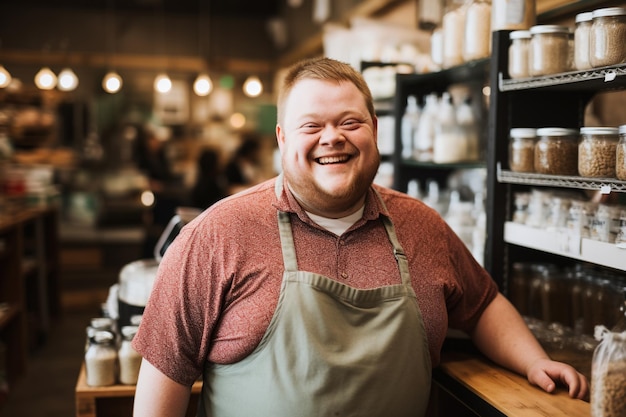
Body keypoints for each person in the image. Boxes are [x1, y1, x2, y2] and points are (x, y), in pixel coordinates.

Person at [132, 57, 588, 417]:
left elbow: (483, 303)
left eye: (350, 122)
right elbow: (163, 378)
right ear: (281, 137)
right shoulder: (217, 234)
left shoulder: (421, 226)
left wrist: (533, 361)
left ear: (374, 128)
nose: (332, 137)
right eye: (311, 125)